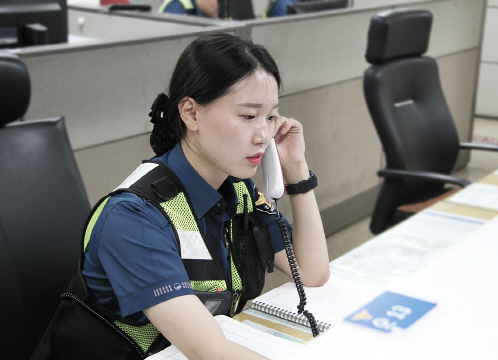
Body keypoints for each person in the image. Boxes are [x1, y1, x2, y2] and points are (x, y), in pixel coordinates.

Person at [33, 32, 329, 360]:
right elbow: (209, 351)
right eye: (248, 116)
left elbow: (312, 273)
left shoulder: (238, 190)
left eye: (271, 116)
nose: (263, 135)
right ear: (190, 113)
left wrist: (296, 169)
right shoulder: (134, 217)